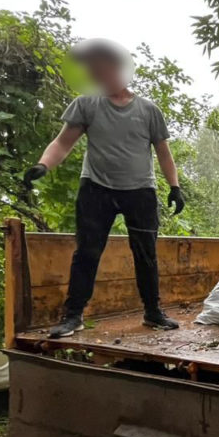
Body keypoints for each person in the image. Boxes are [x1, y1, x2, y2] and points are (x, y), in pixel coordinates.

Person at [23, 39, 185, 338]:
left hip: (140, 191)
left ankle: (152, 311)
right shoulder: (86, 105)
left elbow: (163, 152)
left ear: (120, 69)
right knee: (87, 252)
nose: (99, 75)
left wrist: (174, 187)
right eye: (94, 71)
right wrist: (44, 165)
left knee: (145, 253)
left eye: (104, 69)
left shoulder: (149, 110)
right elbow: (63, 142)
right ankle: (73, 316)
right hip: (96, 188)